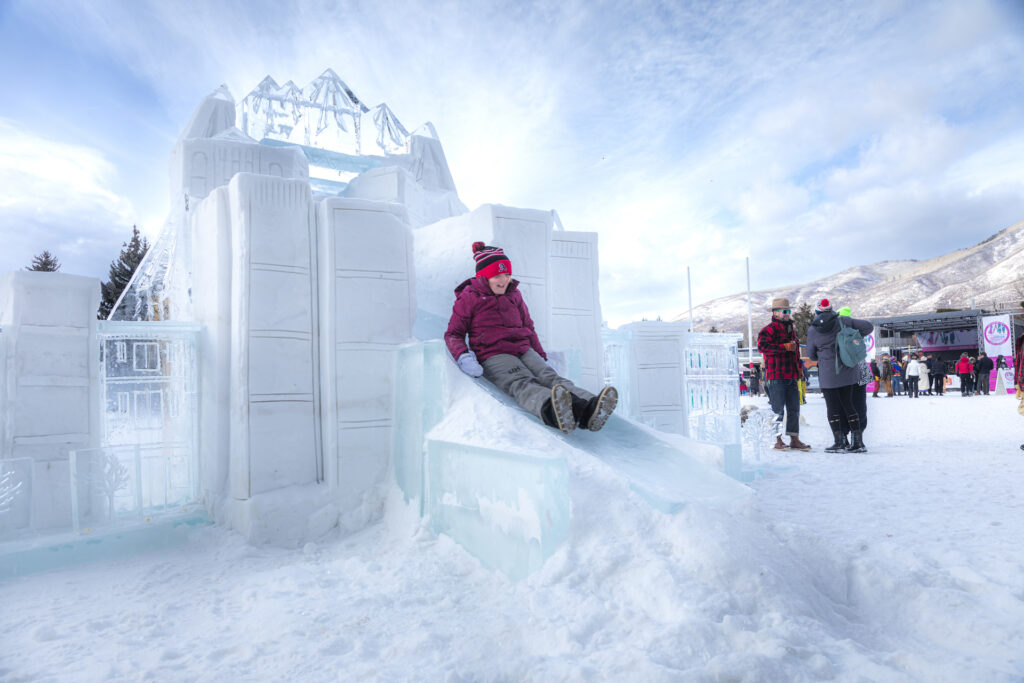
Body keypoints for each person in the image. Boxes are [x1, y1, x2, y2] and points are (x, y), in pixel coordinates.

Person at [445, 242, 617, 433]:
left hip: (523, 348)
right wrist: (463, 356)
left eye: (507, 275)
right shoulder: (469, 297)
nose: (503, 280)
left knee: (550, 376)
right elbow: (454, 333)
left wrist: (541, 356)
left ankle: (588, 409)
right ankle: (553, 410)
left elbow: (528, 326)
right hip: (493, 354)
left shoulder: (514, 295)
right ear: (484, 276)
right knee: (522, 381)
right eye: (497, 275)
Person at [806, 298, 873, 453]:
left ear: (817, 312)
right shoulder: (844, 321)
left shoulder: (813, 330)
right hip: (848, 372)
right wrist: (852, 336)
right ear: (831, 310)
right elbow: (868, 327)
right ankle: (857, 442)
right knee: (850, 405)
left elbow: (811, 354)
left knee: (833, 408)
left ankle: (839, 441)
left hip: (828, 375)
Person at [757, 297, 811, 451]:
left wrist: (799, 368)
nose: (787, 314)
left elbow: (794, 352)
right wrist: (783, 347)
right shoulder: (768, 329)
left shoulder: (791, 330)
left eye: (788, 311)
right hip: (776, 376)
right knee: (777, 410)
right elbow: (762, 347)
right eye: (784, 311)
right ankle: (777, 440)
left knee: (794, 409)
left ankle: (794, 439)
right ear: (775, 313)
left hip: (791, 375)